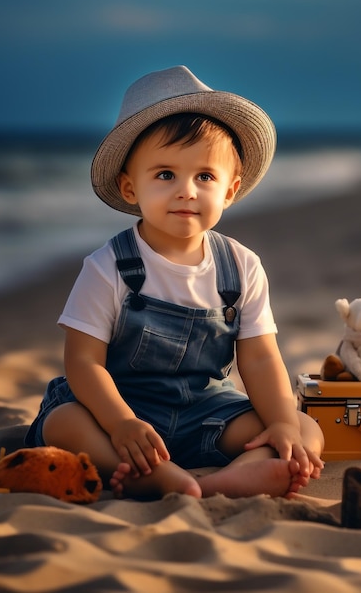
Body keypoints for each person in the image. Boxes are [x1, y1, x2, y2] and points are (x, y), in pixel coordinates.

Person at [25, 66, 324, 500]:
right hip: (120, 411)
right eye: (165, 175)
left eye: (205, 177)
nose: (186, 190)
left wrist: (279, 423)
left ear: (230, 190)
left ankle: (216, 481)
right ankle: (150, 473)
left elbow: (259, 359)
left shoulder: (240, 266)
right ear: (130, 188)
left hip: (205, 412)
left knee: (304, 428)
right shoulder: (108, 266)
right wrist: (121, 423)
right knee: (62, 423)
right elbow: (84, 363)